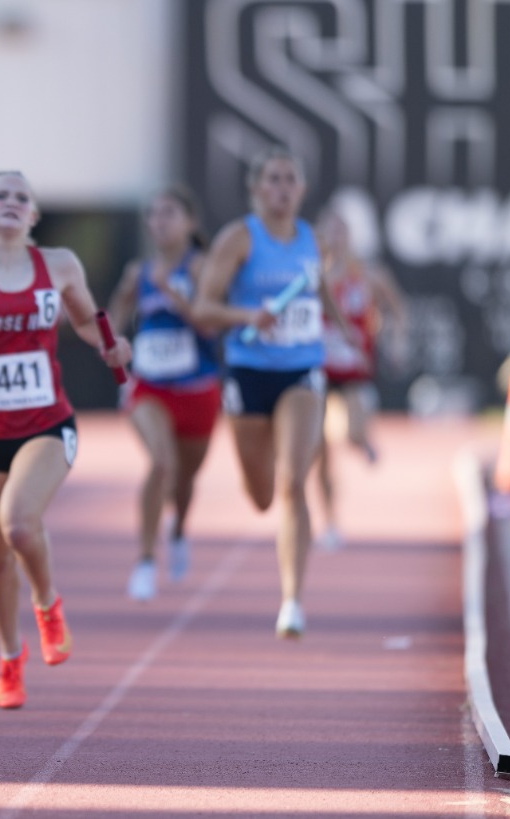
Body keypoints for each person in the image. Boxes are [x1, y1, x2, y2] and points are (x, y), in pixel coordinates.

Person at [0, 170, 132, 709]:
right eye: (0, 196)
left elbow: (87, 320)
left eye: (21, 197)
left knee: (18, 523)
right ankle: (11, 658)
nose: (11, 203)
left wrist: (111, 346)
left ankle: (48, 604)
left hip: (46, 422)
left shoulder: (57, 264)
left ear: (33, 215)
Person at [191, 145, 352, 639]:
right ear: (257, 188)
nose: (282, 189)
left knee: (292, 481)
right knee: (262, 494)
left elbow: (317, 290)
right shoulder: (239, 239)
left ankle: (292, 601)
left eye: (290, 180)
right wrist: (248, 317)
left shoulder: (312, 240)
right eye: (273, 180)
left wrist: (345, 330)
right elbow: (203, 309)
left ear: (302, 189)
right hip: (248, 373)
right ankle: (269, 513)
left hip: (302, 370)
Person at [107, 185, 221, 602]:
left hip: (198, 388)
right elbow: (116, 310)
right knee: (160, 463)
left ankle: (178, 531)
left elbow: (212, 327)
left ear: (190, 223)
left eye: (170, 213)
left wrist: (177, 298)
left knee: (185, 479)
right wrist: (114, 342)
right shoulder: (139, 273)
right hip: (150, 386)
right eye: (154, 214)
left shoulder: (201, 267)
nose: (160, 221)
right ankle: (145, 560)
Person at [312, 208, 408, 550]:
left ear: (350, 236)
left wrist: (395, 341)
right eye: (329, 232)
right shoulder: (310, 276)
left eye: (341, 231)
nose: (335, 239)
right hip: (318, 371)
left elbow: (397, 308)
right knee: (318, 452)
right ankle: (331, 522)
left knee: (352, 434)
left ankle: (363, 439)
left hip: (354, 368)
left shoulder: (368, 275)